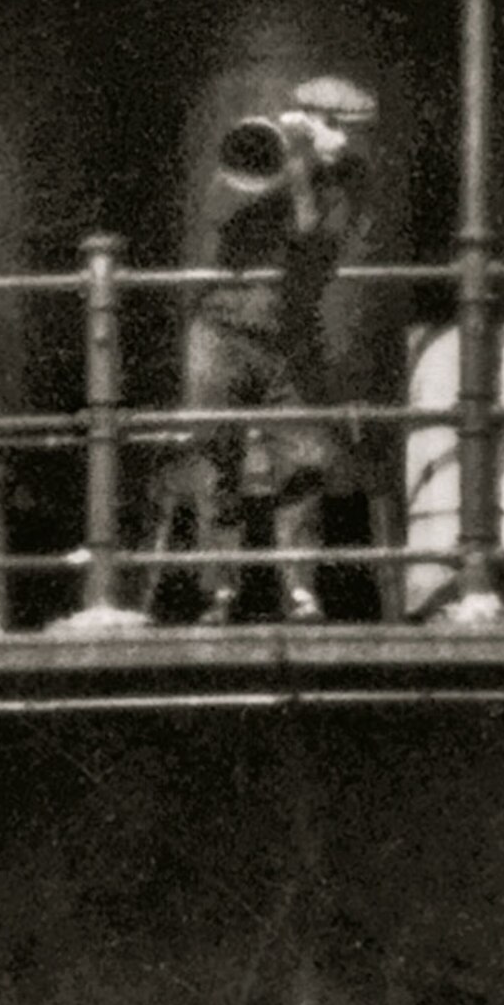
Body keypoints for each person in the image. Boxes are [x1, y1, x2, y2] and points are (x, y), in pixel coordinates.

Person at [174, 75, 377, 621]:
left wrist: (298, 172)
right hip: (221, 327)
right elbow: (219, 211)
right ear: (307, 119)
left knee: (305, 458)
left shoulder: (348, 180)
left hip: (289, 336)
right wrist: (288, 161)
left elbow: (313, 236)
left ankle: (300, 589)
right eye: (331, 127)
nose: (342, 142)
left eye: (348, 131)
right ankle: (220, 592)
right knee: (217, 457)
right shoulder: (264, 149)